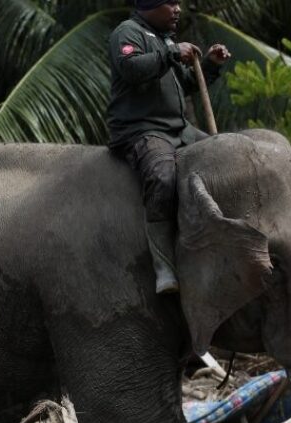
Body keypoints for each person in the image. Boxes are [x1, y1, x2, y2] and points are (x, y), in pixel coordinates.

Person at [107, 0, 231, 294]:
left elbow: (182, 84)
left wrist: (211, 66)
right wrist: (173, 52)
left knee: (225, 153)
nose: (178, 9)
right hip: (143, 129)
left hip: (179, 129)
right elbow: (131, 68)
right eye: (170, 3)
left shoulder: (164, 38)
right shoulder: (127, 32)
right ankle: (163, 264)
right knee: (163, 176)